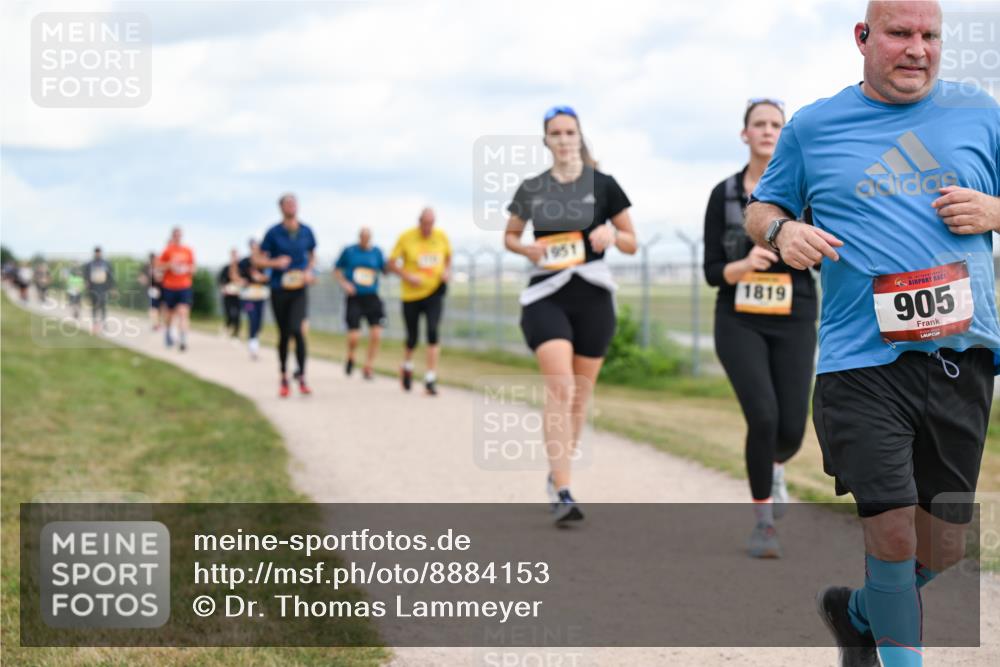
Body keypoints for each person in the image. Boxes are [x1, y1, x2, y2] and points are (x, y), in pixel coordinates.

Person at [745, 2, 1000, 665]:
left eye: (929, 36)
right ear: (863, 38)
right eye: (899, 33)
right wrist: (782, 229)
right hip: (861, 362)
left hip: (961, 357)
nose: (917, 48)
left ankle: (857, 612)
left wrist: (997, 208)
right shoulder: (814, 127)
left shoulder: (980, 112)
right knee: (891, 532)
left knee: (942, 545)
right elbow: (761, 206)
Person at [504, 105, 637, 523]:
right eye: (555, 133)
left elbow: (632, 241)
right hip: (546, 295)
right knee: (560, 387)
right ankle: (563, 491)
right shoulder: (533, 188)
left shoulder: (605, 185)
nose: (563, 140)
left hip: (594, 296)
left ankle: (558, 476)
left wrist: (613, 234)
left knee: (579, 395)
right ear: (546, 141)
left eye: (569, 132)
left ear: (580, 137)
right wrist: (525, 247)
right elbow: (510, 235)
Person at [703, 99, 818, 559]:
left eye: (776, 124)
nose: (768, 131)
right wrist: (743, 264)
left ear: (785, 134)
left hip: (794, 316)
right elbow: (712, 270)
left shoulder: (806, 192)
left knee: (791, 429)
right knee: (764, 416)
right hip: (738, 319)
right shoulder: (724, 194)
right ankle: (764, 523)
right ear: (745, 134)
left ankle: (773, 466)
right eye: (759, 124)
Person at [255, 193, 317, 397]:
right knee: (284, 333)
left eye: (294, 203)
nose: (291, 206)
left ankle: (302, 376)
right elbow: (259, 261)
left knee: (297, 330)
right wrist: (274, 263)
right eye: (287, 203)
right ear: (281, 208)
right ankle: (283, 376)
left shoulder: (307, 231)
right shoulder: (273, 233)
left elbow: (312, 256)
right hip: (279, 288)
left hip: (299, 288)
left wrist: (309, 272)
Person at [387, 208, 451, 395]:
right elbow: (391, 263)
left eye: (431, 224)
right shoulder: (406, 237)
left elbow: (448, 257)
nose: (428, 228)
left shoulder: (441, 236)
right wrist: (407, 276)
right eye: (425, 224)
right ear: (419, 222)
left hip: (434, 291)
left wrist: (446, 271)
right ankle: (407, 365)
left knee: (432, 331)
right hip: (411, 295)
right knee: (412, 337)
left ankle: (430, 377)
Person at [334, 227, 387, 380]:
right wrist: (345, 284)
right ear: (359, 237)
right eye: (363, 237)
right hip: (355, 297)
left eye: (368, 237)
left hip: (372, 296)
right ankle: (351, 356)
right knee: (354, 336)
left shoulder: (377, 252)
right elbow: (337, 270)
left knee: (376, 334)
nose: (365, 240)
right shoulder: (349, 251)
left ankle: (368, 366)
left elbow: (385, 269)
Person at [157, 227, 196, 351]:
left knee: (183, 312)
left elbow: (193, 267)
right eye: (176, 235)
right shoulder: (167, 250)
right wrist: (170, 265)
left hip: (184, 286)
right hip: (169, 286)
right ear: (173, 236)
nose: (178, 237)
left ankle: (183, 339)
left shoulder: (188, 250)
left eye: (179, 235)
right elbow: (159, 266)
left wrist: (187, 269)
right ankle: (168, 332)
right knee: (170, 314)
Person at [237, 238, 270, 360]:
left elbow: (268, 277)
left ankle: (254, 340)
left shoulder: (265, 261)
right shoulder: (244, 262)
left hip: (260, 295)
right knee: (252, 317)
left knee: (259, 321)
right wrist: (242, 281)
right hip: (248, 296)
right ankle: (253, 345)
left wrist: (261, 278)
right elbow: (236, 276)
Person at [82, 247, 115, 333]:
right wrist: (86, 283)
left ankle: (103, 323)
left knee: (103, 305)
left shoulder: (106, 264)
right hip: (93, 288)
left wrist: (112, 288)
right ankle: (95, 324)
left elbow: (111, 276)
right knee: (94, 307)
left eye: (99, 252)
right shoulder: (90, 264)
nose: (98, 254)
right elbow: (85, 276)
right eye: (96, 252)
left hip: (103, 288)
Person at [137, 252, 164, 331]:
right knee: (153, 307)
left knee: (159, 307)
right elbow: (140, 277)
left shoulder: (159, 266)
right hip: (152, 289)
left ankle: (158, 323)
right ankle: (155, 324)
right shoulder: (147, 266)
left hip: (160, 289)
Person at [219, 248, 242, 338]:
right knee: (229, 313)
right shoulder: (226, 268)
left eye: (236, 255)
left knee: (237, 314)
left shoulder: (241, 268)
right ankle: (227, 327)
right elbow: (221, 281)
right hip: (228, 295)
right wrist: (223, 288)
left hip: (238, 295)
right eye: (233, 255)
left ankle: (236, 333)